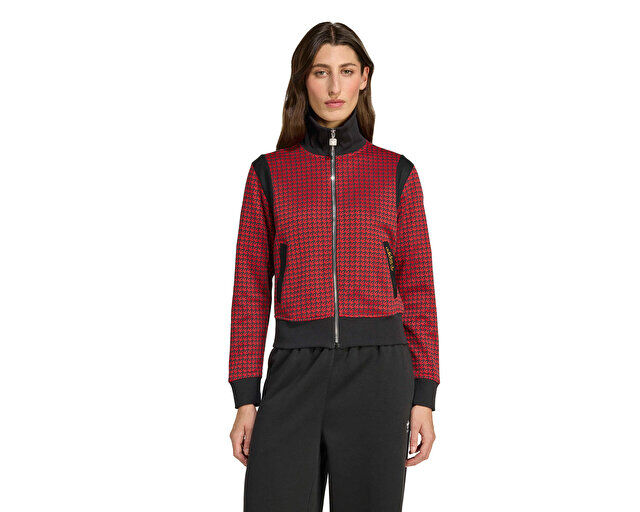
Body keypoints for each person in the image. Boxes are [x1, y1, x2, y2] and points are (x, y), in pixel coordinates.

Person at [228, 21, 440, 511]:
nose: (334, 87)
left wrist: (424, 394)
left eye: (346, 71)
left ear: (364, 77)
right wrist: (245, 395)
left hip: (378, 373)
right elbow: (250, 289)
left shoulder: (397, 172)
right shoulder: (268, 173)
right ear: (303, 79)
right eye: (321, 72)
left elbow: (419, 288)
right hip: (294, 369)